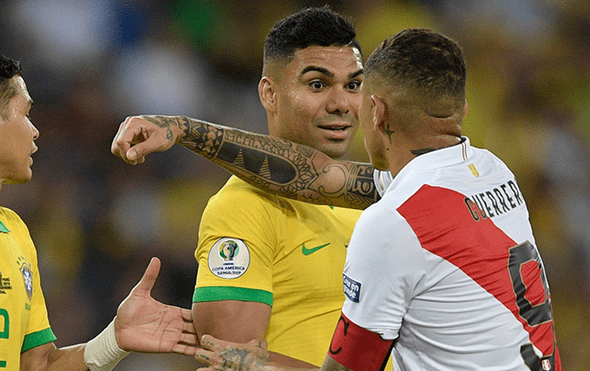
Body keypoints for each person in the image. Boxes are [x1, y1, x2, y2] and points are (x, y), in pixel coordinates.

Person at [118, 28, 563, 370]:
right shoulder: (490, 170)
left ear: (377, 111)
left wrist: (258, 362)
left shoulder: (393, 224)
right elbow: (313, 178)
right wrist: (184, 129)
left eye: (356, 91)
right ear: (461, 111)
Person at [115, 6, 394, 369]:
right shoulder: (243, 209)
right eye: (317, 84)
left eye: (353, 85)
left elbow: (318, 177)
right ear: (269, 94)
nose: (341, 104)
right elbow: (228, 360)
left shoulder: (385, 196)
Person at [0, 54, 199, 371]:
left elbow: (38, 365)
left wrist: (114, 340)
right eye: (25, 113)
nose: (35, 130)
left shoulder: (15, 232)